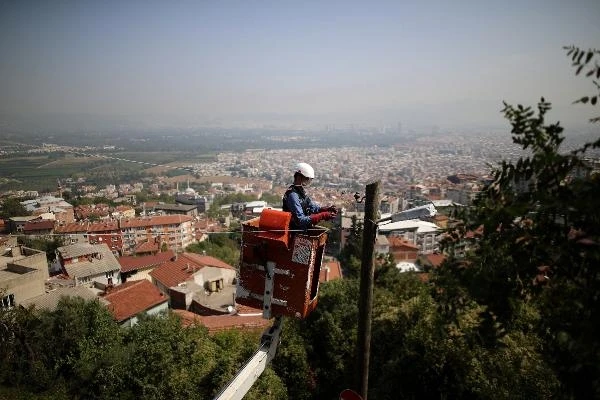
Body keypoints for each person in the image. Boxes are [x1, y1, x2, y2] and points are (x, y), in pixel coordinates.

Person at [282, 162, 337, 230]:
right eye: (307, 178)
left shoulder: (300, 191)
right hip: (294, 232)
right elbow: (301, 220)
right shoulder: (293, 195)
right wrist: (323, 215)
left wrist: (326, 209)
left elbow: (312, 207)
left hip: (302, 229)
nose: (308, 181)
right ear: (299, 177)